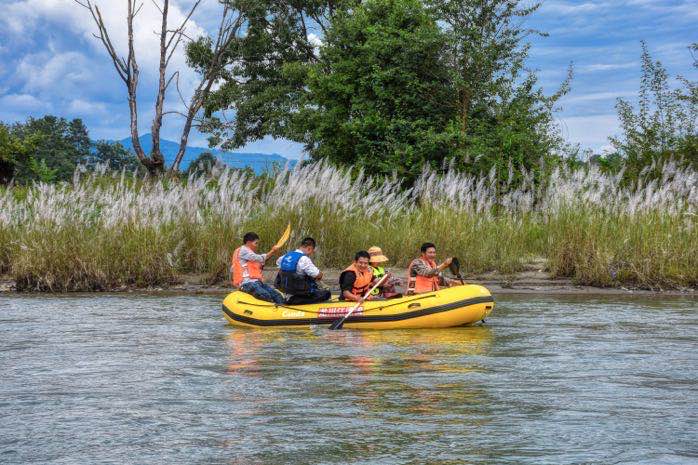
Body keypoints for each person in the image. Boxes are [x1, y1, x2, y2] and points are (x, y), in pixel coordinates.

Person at [231, 232, 284, 304]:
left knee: (277, 296)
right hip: (247, 284)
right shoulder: (243, 250)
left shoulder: (249, 253)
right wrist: (272, 251)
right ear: (249, 242)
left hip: (257, 283)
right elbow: (260, 258)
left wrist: (272, 253)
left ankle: (282, 310)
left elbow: (260, 262)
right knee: (265, 295)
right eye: (256, 243)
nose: (257, 246)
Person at [275, 237, 331, 304]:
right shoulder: (304, 259)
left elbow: (278, 263)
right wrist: (320, 274)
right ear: (309, 248)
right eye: (312, 251)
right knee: (327, 293)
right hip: (299, 295)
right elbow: (317, 275)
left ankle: (289, 297)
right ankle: (297, 300)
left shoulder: (285, 256)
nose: (311, 254)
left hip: (286, 291)